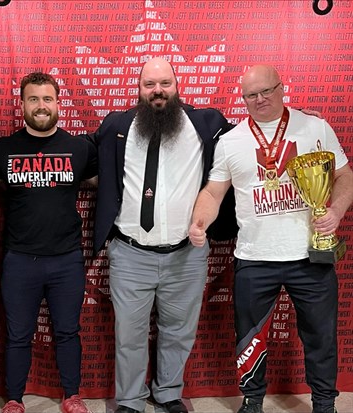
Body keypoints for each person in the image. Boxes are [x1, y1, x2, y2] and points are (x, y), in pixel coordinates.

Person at [188, 65, 353, 413]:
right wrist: (199, 221)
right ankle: (252, 401)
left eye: (266, 90)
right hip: (254, 256)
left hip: (309, 254)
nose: (260, 99)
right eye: (251, 94)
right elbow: (214, 192)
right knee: (249, 337)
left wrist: (336, 211)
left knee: (321, 336)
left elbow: (344, 175)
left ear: (281, 88)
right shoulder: (231, 141)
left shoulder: (315, 127)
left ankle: (325, 404)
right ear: (243, 98)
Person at [90, 57, 237, 413]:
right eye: (149, 84)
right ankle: (129, 401)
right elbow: (79, 150)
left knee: (179, 331)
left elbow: (253, 138)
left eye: (165, 83)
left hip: (187, 253)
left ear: (177, 85)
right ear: (139, 88)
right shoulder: (116, 125)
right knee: (129, 335)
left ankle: (169, 393)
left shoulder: (207, 124)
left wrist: (291, 119)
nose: (158, 91)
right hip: (130, 253)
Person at [0, 72, 97, 413]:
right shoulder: (3, 149)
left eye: (47, 99)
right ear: (22, 104)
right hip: (20, 259)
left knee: (68, 331)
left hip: (67, 259)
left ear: (58, 104)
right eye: (33, 99)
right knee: (18, 334)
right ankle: (14, 399)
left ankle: (71, 395)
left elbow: (108, 187)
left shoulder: (79, 148)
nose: (40, 105)